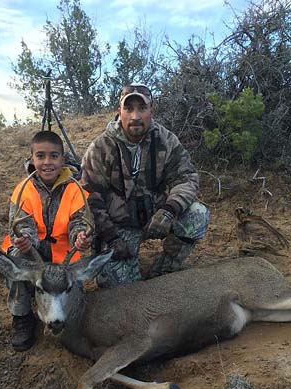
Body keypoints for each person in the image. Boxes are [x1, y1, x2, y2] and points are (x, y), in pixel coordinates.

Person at [81, 83, 209, 288]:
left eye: (142, 108)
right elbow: (90, 197)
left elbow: (186, 178)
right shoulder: (100, 148)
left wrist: (168, 211)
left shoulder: (166, 140)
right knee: (117, 288)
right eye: (128, 109)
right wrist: (111, 237)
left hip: (157, 218)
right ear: (119, 111)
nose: (135, 116)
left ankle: (165, 266)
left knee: (198, 214)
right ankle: (123, 260)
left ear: (152, 110)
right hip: (119, 228)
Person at [1, 130, 92, 351]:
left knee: (73, 296)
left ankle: (59, 311)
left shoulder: (75, 189)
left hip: (64, 255)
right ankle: (22, 316)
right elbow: (21, 223)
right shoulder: (23, 190)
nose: (47, 162)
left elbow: (80, 221)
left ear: (63, 159)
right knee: (17, 259)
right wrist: (24, 240)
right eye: (40, 156)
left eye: (53, 156)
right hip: (34, 252)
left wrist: (80, 237)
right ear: (32, 159)